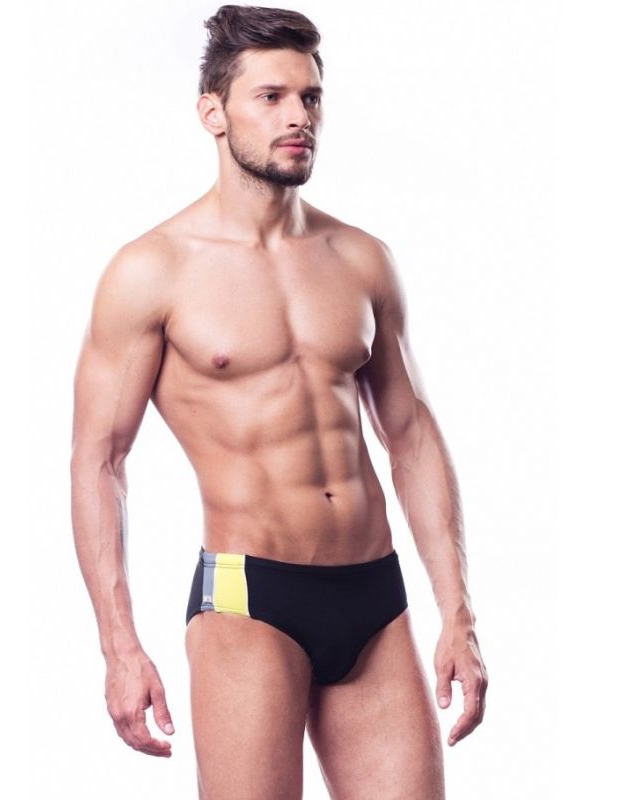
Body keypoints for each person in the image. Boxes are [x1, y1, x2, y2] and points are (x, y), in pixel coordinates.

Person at [70, 5, 487, 798]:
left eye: (311, 97)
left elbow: (410, 437)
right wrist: (119, 649)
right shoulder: (152, 271)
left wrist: (458, 614)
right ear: (213, 113)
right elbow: (99, 461)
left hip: (374, 596)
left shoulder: (360, 259)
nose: (299, 116)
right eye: (271, 97)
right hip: (248, 598)